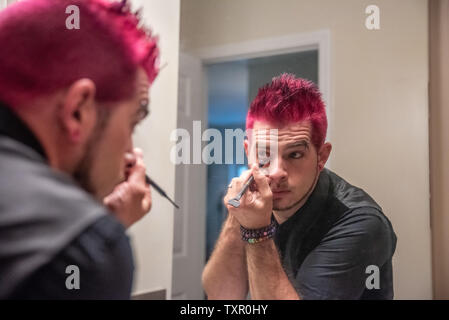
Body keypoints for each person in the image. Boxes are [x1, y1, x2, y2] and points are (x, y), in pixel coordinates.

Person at [0, 0, 159, 299]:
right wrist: (97, 234)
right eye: (130, 124)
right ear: (78, 111)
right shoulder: (81, 252)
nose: (129, 153)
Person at [202, 74, 397, 300]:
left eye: (294, 154)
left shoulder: (361, 222)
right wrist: (237, 217)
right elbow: (221, 295)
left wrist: (256, 232)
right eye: (264, 154)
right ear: (249, 152)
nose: (276, 172)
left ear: (321, 157)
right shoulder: (254, 202)